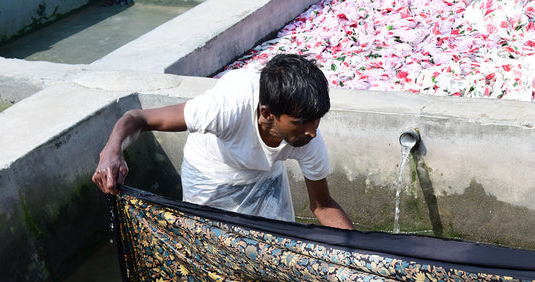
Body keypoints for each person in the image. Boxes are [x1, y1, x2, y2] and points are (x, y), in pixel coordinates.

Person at [92, 53, 354, 230]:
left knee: (273, 247)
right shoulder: (225, 108)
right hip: (210, 175)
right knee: (211, 247)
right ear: (267, 114)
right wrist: (111, 153)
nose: (312, 132)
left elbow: (322, 205)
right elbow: (137, 117)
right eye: (300, 123)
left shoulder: (308, 140)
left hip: (263, 175)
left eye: (317, 120)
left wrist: (364, 255)